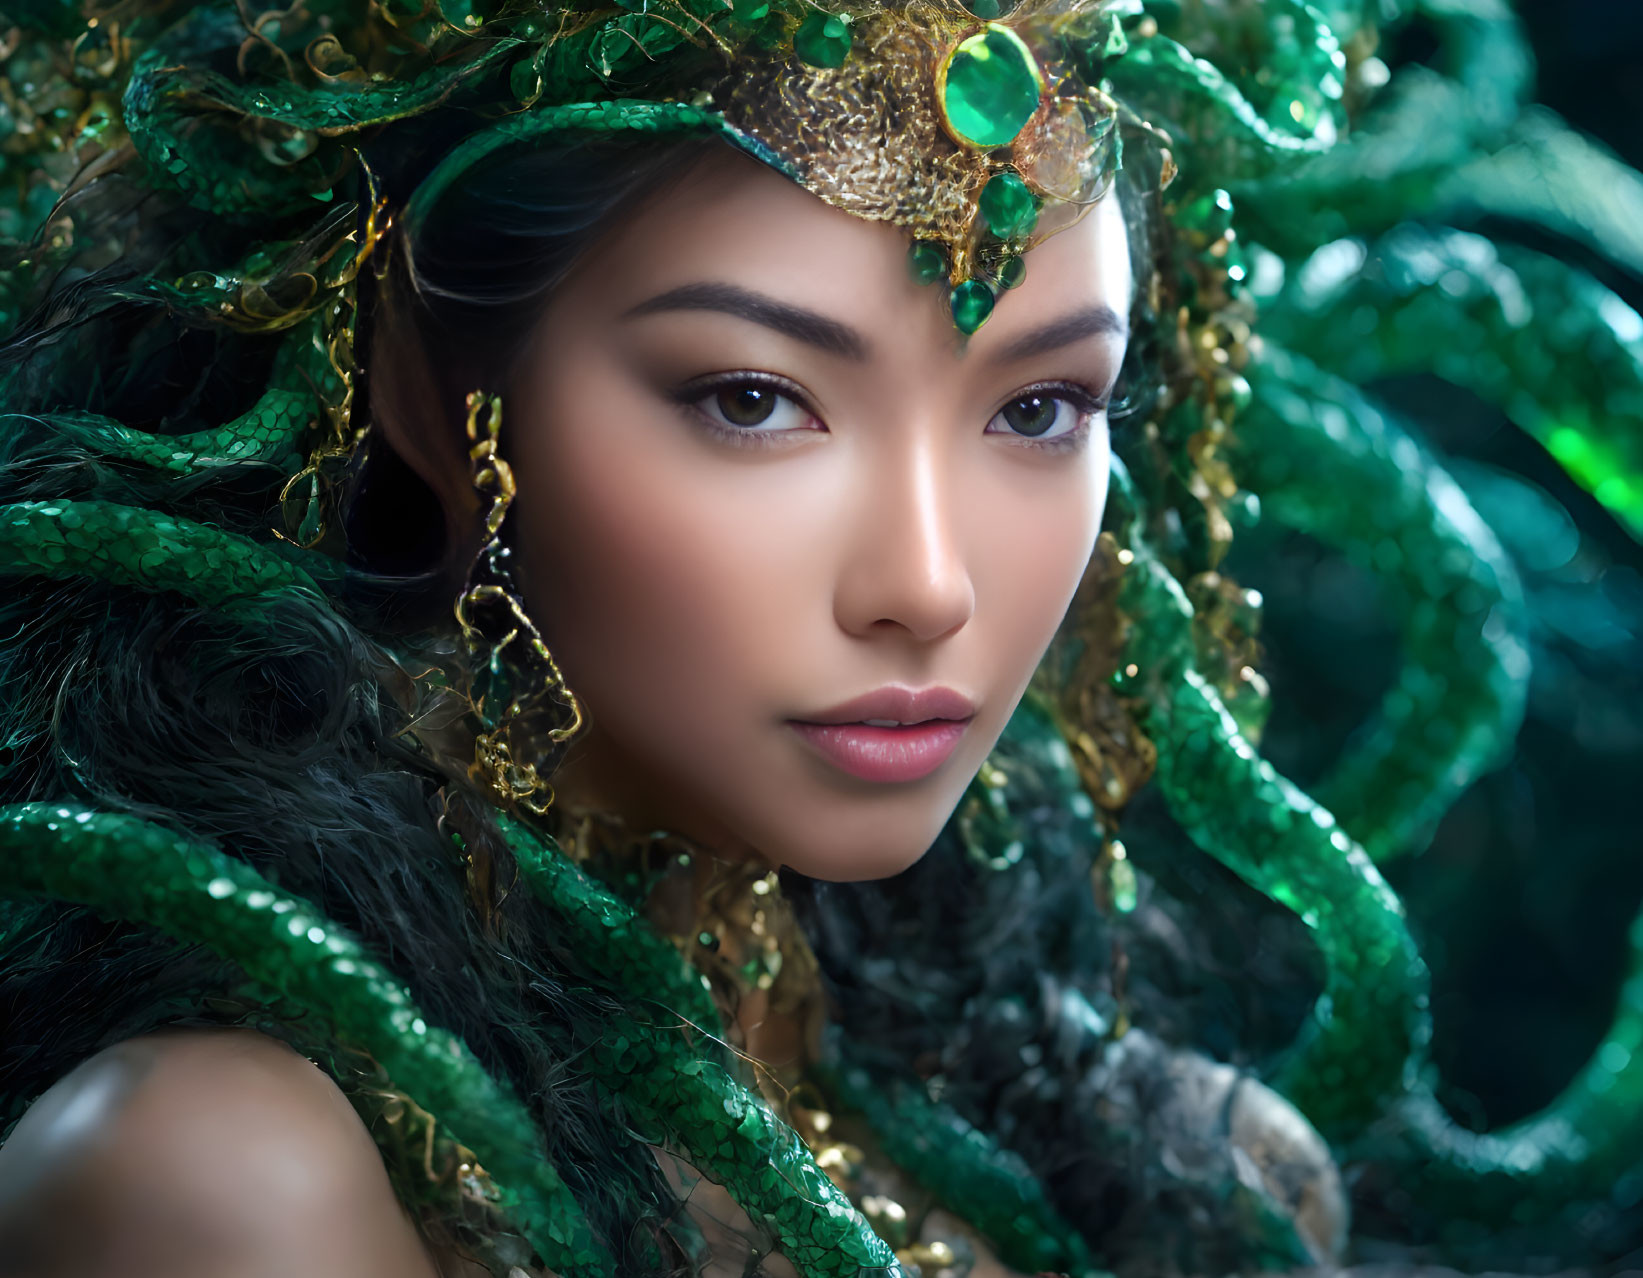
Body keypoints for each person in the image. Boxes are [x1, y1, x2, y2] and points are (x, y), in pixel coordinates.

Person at [1, 2, 1641, 1276]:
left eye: (1043, 404)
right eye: (756, 398)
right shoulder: (228, 1172)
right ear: (428, 391)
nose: (927, 584)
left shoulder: (1152, 1157)